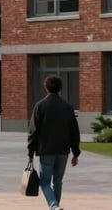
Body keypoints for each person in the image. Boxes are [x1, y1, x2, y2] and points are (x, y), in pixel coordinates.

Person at [27, 75, 81, 210]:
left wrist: (30, 151)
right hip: (63, 150)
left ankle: (53, 205)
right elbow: (74, 131)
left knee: (44, 181)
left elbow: (33, 131)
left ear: (46, 88)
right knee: (57, 181)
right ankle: (56, 206)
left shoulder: (40, 106)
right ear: (60, 88)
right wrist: (75, 153)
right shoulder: (67, 107)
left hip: (46, 149)